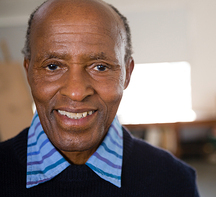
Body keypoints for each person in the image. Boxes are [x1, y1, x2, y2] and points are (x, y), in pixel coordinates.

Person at [0, 0, 199, 196]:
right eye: (53, 66)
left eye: (100, 67)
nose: (76, 92)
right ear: (28, 73)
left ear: (127, 75)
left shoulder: (173, 181)